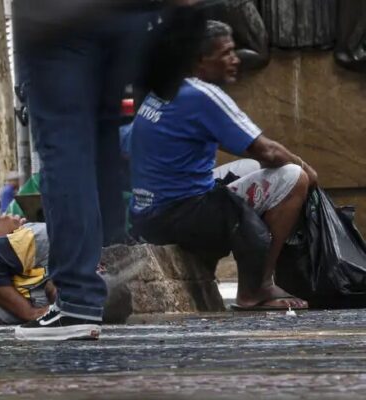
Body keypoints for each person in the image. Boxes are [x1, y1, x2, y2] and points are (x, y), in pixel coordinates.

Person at [129, 20, 316, 311]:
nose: (235, 59)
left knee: (251, 166)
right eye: (226, 52)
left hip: (149, 214)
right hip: (179, 216)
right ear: (200, 59)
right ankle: (257, 288)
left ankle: (255, 280)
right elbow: (267, 150)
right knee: (295, 178)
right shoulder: (202, 95)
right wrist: (308, 169)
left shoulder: (166, 87)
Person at [12, 0, 163, 340]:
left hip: (61, 20)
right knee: (100, 141)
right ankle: (109, 261)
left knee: (65, 150)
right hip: (121, 20)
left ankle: (79, 296)